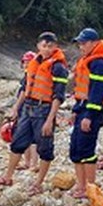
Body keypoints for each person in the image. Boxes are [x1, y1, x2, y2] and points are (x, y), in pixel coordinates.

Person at [0, 47, 48, 187]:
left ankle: (32, 164)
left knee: (33, 139)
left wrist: (16, 108)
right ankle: (28, 163)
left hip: (31, 109)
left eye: (27, 62)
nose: (25, 64)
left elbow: (24, 92)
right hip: (29, 108)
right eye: (24, 62)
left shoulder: (34, 74)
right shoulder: (29, 74)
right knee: (25, 140)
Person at [68, 28, 103, 199]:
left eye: (84, 43)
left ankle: (90, 188)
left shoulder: (99, 63)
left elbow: (98, 91)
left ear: (95, 43)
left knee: (87, 151)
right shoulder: (88, 60)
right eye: (79, 43)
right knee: (76, 149)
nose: (81, 46)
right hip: (82, 107)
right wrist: (75, 111)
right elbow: (81, 90)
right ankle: (81, 186)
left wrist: (88, 115)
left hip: (92, 111)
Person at [22, 32, 69, 195]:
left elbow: (59, 95)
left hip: (44, 109)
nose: (47, 49)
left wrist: (50, 119)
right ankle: (9, 174)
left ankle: (38, 182)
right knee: (20, 141)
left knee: (45, 147)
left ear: (56, 47)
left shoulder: (58, 67)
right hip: (29, 107)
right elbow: (24, 88)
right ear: (38, 46)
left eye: (50, 46)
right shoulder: (33, 64)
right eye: (44, 45)